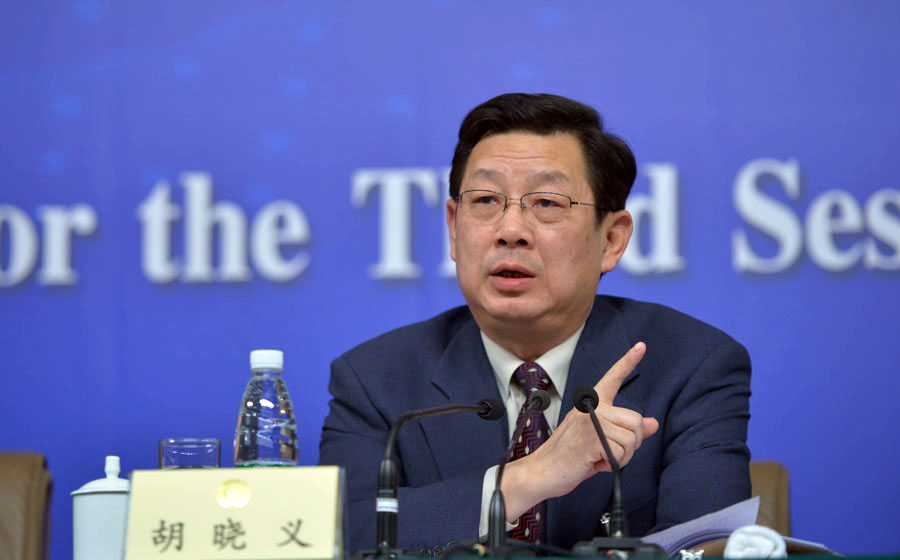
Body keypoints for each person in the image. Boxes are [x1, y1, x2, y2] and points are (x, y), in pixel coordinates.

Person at [319, 93, 751, 554]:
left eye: (546, 202)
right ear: (453, 227)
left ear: (611, 239)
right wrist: (527, 478)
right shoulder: (374, 379)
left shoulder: (692, 365)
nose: (510, 230)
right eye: (486, 200)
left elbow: (702, 547)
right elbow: (340, 537)